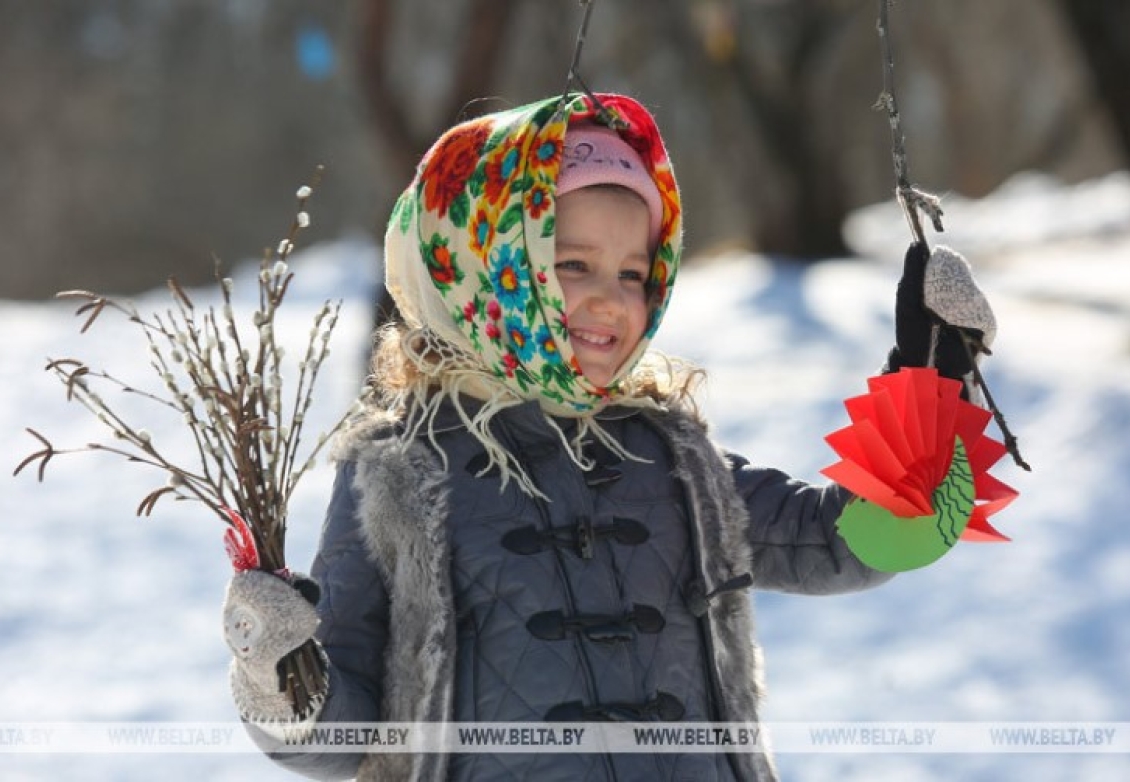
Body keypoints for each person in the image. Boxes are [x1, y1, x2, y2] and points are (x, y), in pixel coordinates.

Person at [221, 92, 996, 781]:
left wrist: (933, 375)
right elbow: (346, 738)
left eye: (633, 273)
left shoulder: (670, 459)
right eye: (572, 265)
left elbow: (850, 541)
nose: (609, 300)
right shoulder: (400, 475)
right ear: (485, 271)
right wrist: (281, 670)